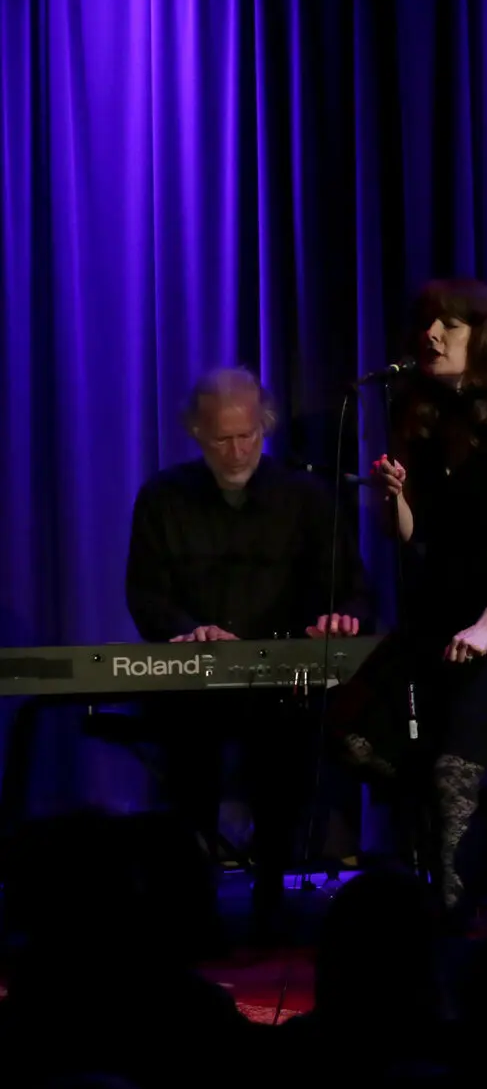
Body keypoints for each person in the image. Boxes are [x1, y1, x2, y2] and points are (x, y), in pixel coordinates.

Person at [337, 279, 487, 914]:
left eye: (450, 326)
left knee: (453, 770)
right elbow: (412, 536)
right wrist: (393, 498)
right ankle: (476, 823)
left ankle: (452, 914)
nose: (431, 336)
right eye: (428, 324)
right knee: (356, 737)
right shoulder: (421, 415)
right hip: (436, 612)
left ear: (483, 337)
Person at [125, 366, 372, 939]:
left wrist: (341, 617)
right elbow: (145, 594)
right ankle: (191, 909)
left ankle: (272, 903)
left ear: (265, 427)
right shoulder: (163, 498)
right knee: (187, 765)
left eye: (248, 436)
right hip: (192, 687)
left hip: (282, 689)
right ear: (196, 432)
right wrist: (189, 631)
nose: (237, 451)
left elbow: (353, 588)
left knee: (286, 758)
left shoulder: (305, 498)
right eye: (221, 439)